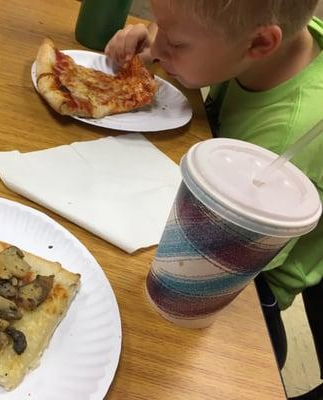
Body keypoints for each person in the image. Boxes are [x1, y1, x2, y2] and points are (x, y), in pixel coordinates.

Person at [105, 1, 323, 397]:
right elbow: (210, 46)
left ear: (259, 43)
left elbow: (235, 248)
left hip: (248, 289)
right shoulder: (260, 48)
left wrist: (176, 45)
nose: (158, 45)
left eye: (177, 41)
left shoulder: (290, 133)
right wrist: (159, 41)